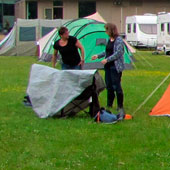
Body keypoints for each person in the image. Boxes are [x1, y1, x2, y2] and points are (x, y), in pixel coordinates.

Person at [91, 23, 125, 120]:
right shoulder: (109, 40)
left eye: (106, 30)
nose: (105, 32)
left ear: (111, 30)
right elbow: (107, 52)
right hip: (108, 67)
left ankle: (120, 105)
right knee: (109, 86)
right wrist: (98, 56)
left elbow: (118, 53)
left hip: (115, 66)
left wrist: (107, 60)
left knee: (116, 86)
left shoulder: (118, 40)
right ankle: (109, 104)